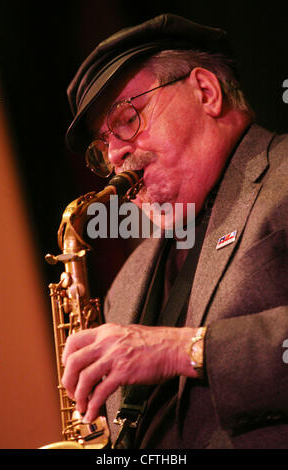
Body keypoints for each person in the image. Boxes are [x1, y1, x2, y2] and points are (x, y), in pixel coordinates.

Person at [61, 14, 288, 449]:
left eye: (126, 118)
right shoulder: (126, 284)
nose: (115, 153)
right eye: (103, 143)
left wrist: (182, 350)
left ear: (206, 92)